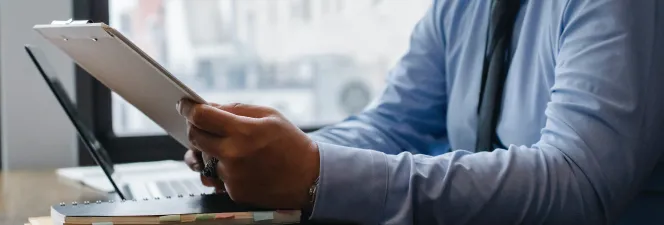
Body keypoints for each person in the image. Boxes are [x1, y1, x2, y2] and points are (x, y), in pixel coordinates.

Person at [179, 0, 664, 224]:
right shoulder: (460, 8)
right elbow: (394, 122)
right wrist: (264, 152)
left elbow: (579, 182)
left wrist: (315, 171)